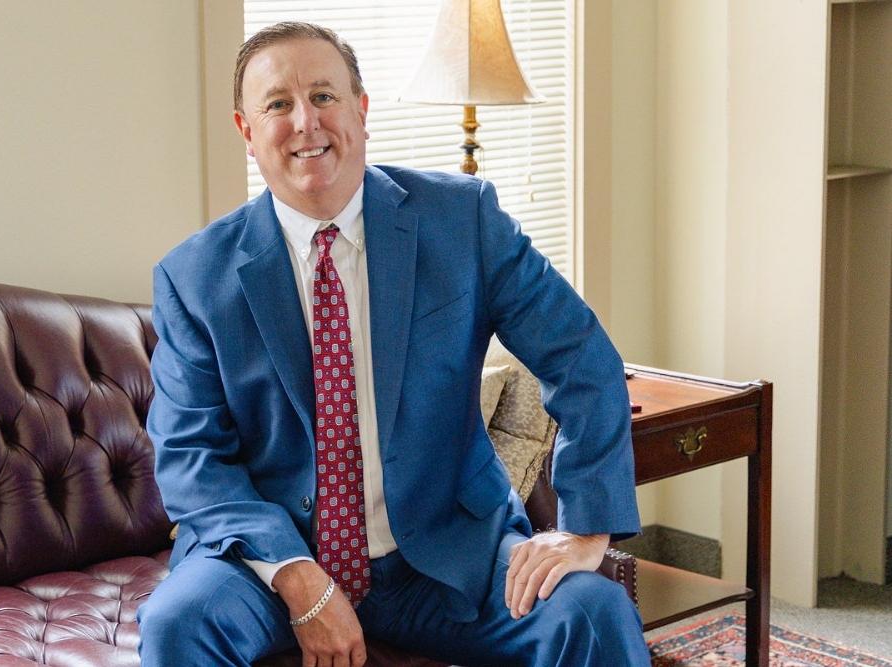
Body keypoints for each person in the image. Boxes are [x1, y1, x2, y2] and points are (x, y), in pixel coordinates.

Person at [138, 21, 650, 667]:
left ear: (362, 109)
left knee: (593, 611)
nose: (305, 121)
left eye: (324, 95)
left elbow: (581, 355)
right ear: (246, 131)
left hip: (447, 553)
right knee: (175, 622)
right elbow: (191, 458)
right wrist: (299, 577)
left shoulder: (462, 221)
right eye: (277, 104)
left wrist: (584, 527)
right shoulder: (194, 279)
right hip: (271, 567)